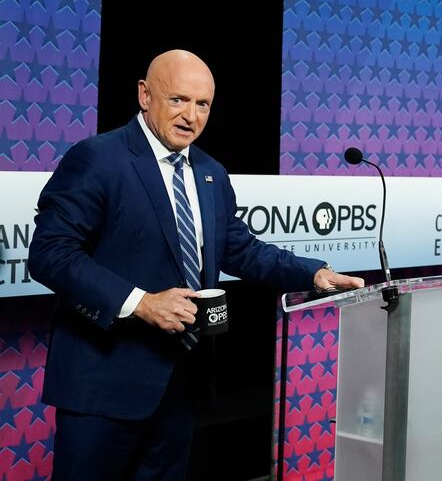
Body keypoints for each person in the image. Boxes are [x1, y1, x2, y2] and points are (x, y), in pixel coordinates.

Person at [28, 50, 364, 480]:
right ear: (145, 95)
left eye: (202, 104)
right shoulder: (97, 158)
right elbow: (51, 253)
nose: (191, 115)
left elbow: (239, 249)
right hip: (102, 386)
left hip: (179, 384)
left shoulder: (210, 171)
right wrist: (141, 303)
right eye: (178, 100)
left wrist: (313, 273)